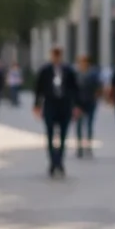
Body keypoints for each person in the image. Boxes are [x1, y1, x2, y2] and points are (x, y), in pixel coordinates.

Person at [34, 46, 80, 178]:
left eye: (58, 55)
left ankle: (60, 161)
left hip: (64, 105)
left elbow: (75, 89)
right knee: (50, 134)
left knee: (63, 136)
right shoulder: (45, 71)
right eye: (54, 55)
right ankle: (53, 162)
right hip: (50, 105)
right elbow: (39, 89)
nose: (56, 58)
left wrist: (76, 106)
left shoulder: (68, 71)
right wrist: (37, 105)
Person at [75, 54, 102, 158]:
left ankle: (89, 146)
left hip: (90, 102)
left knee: (89, 125)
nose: (83, 64)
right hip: (79, 103)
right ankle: (79, 147)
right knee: (79, 125)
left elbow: (98, 86)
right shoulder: (76, 73)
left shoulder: (93, 74)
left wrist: (96, 96)